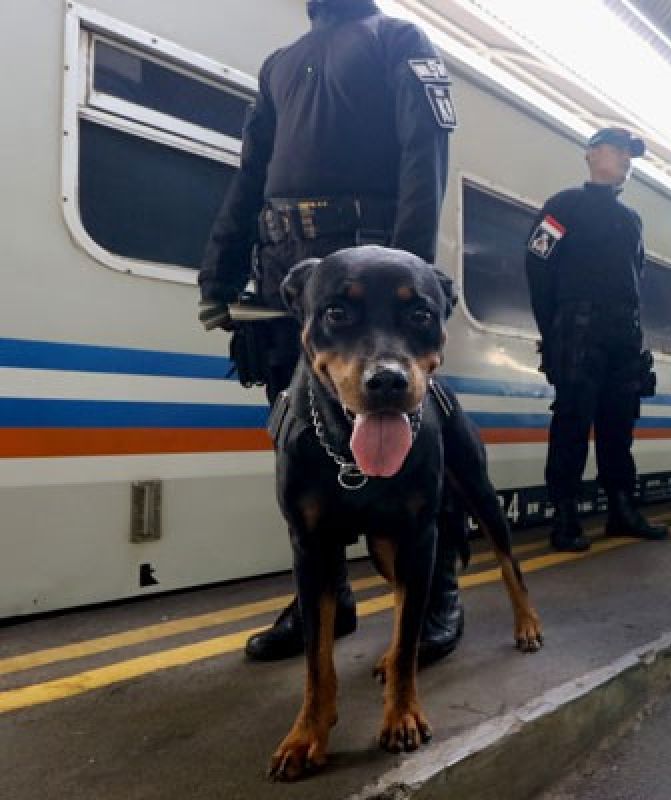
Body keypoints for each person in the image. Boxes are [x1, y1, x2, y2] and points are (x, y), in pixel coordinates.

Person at [198, 0, 466, 663]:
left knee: (415, 438)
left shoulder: (399, 36)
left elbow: (423, 151)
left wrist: (410, 280)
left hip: (374, 267)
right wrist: (221, 273)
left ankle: (436, 592)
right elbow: (252, 173)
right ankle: (326, 595)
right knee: (302, 444)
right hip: (291, 273)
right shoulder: (279, 65)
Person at [524, 127, 668, 552]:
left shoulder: (632, 220)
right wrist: (552, 332)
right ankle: (564, 517)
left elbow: (635, 279)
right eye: (619, 150)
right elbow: (537, 264)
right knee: (571, 422)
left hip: (624, 334)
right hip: (578, 328)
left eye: (630, 155)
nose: (626, 160)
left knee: (618, 426)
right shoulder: (562, 206)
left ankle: (621, 509)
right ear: (591, 154)